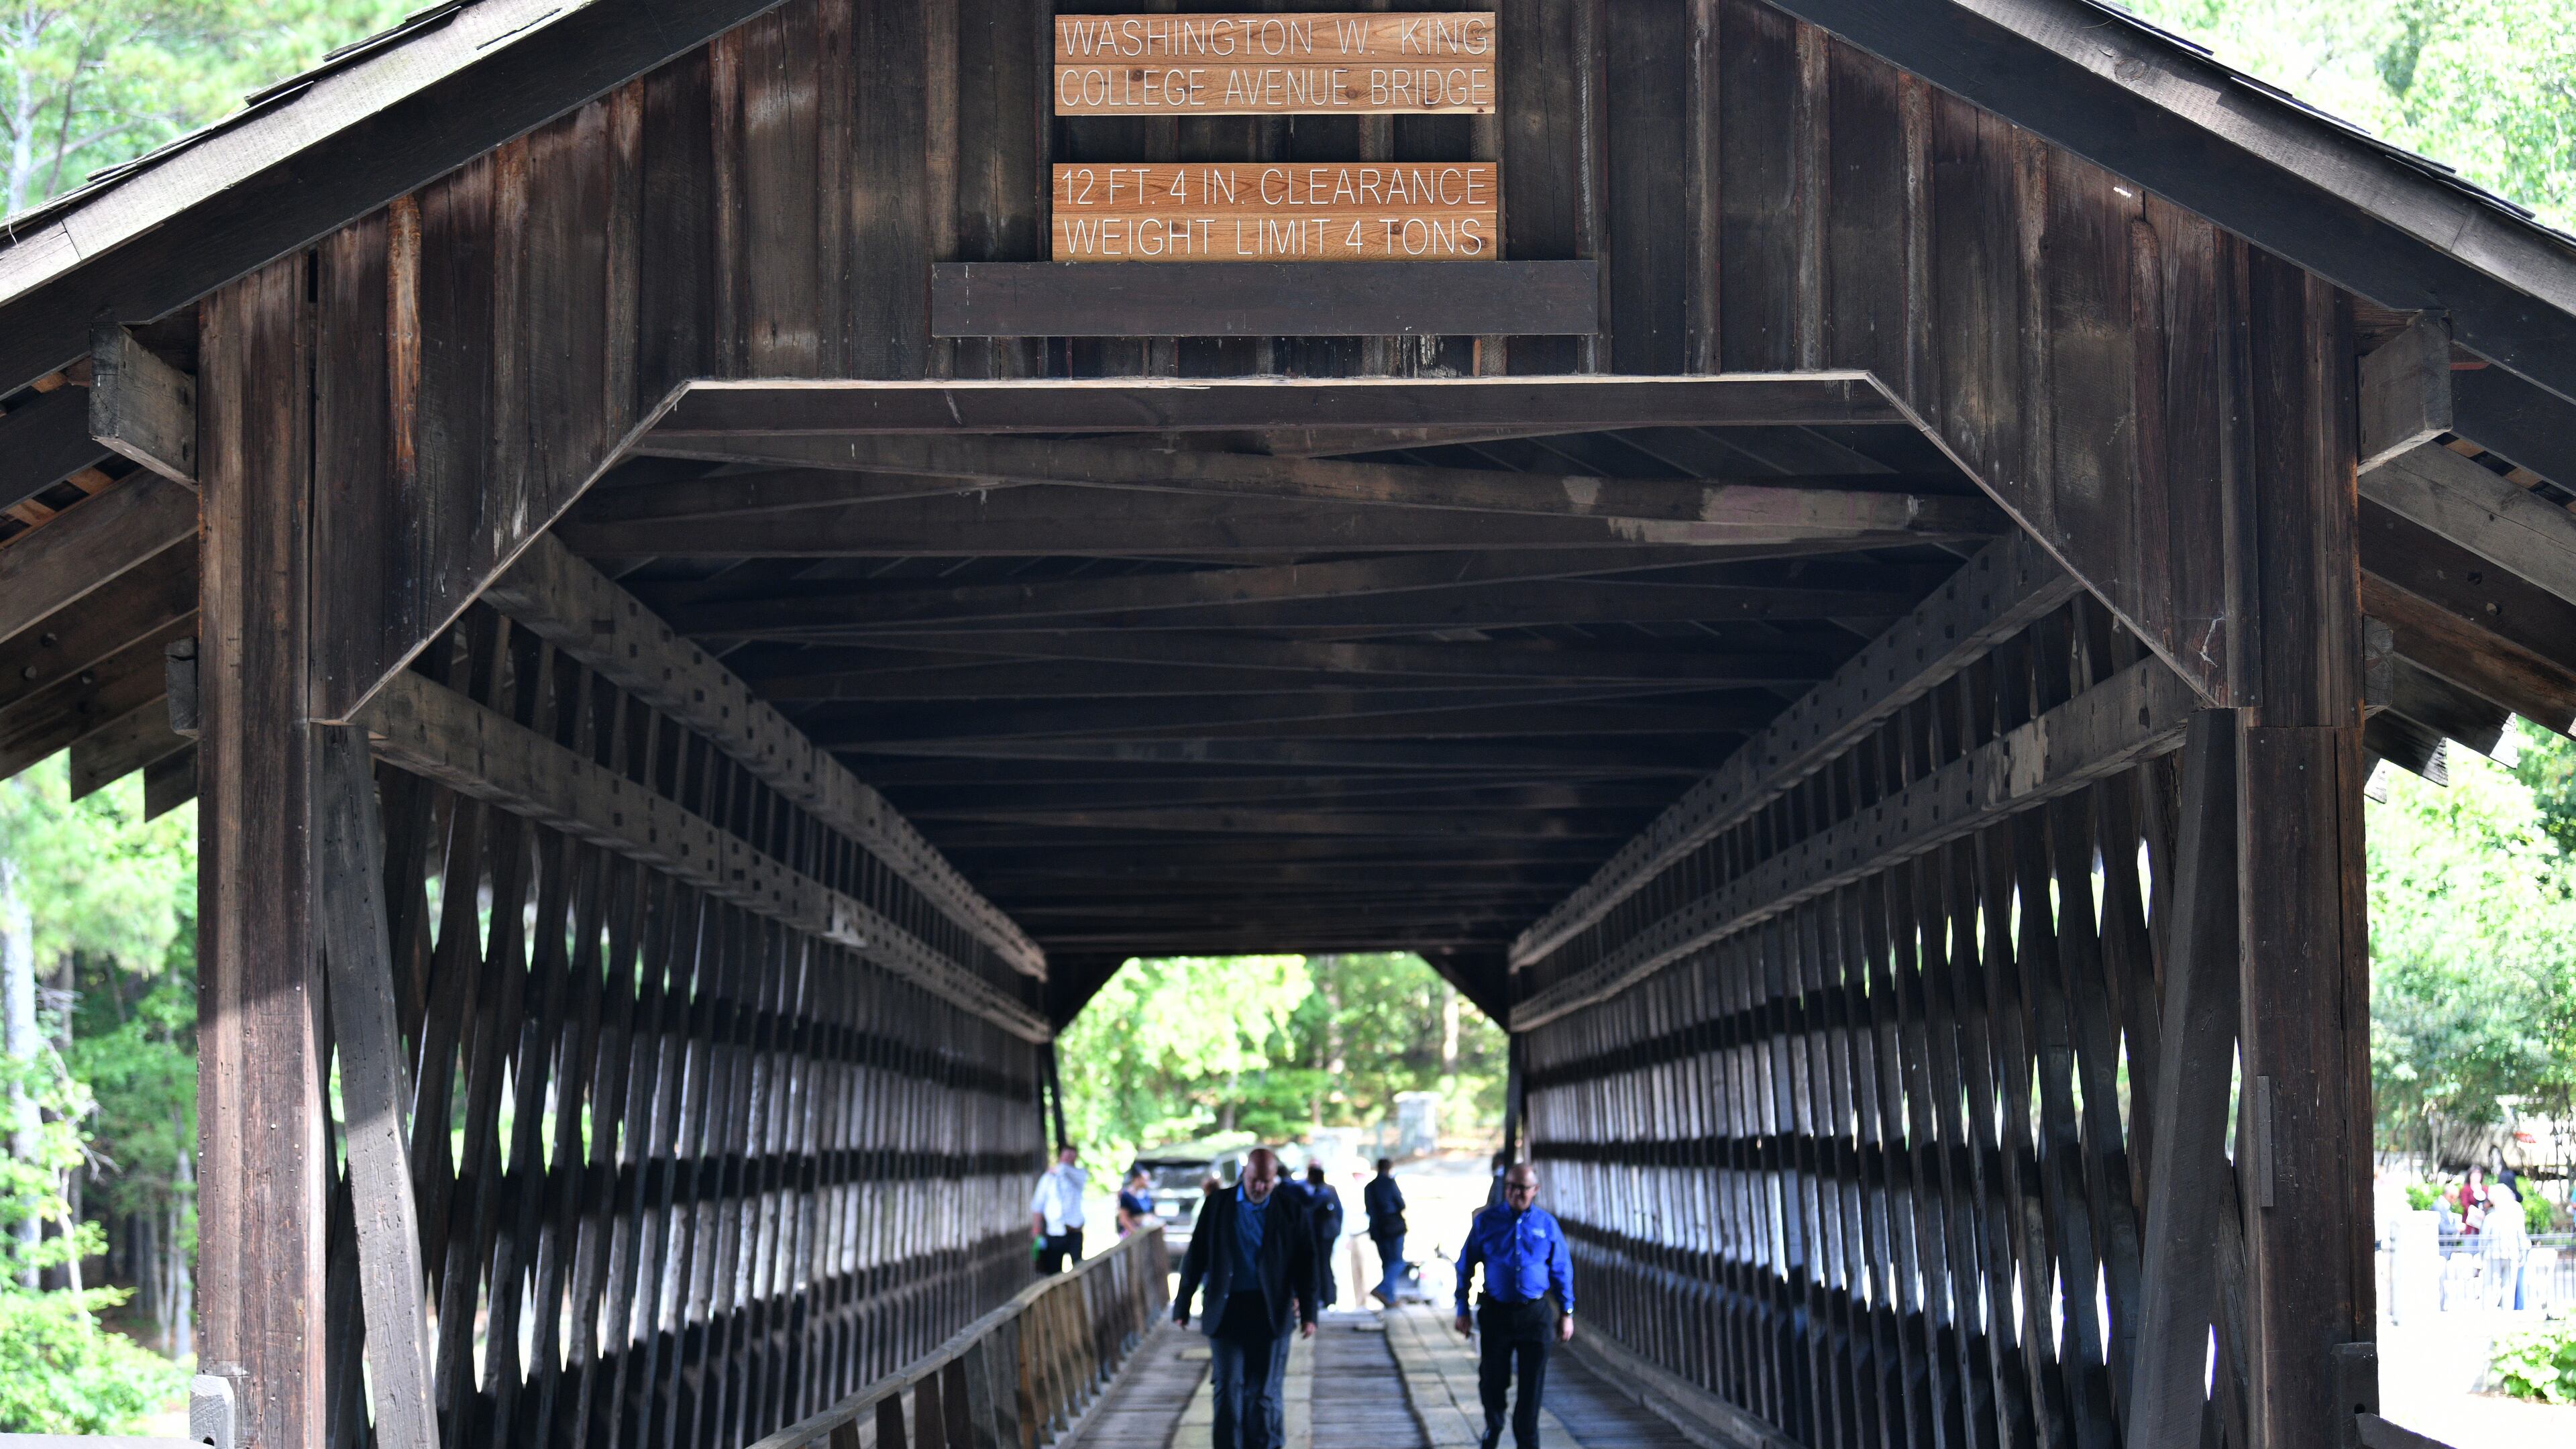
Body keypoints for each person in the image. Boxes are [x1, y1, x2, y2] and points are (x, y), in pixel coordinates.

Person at [1173, 1147, 1320, 1449]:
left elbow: (1307, 1265)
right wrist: (1182, 1304)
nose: (1260, 1187)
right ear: (1244, 1174)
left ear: (1275, 1179)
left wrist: (1309, 1314)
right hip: (1227, 1309)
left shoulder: (1291, 1210)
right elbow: (1196, 1256)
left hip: (1270, 1310)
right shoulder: (1218, 1205)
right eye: (1254, 1180)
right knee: (1227, 1389)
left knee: (1263, 1393)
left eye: (1267, 1181)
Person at [1452, 1163, 1574, 1449]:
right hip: (1497, 1312)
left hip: (1535, 1314)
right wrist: (1462, 1309)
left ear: (1535, 1190)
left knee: (1532, 1384)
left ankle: (1527, 1440)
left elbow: (1561, 1270)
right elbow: (1465, 1266)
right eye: (1510, 1186)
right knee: (1492, 1379)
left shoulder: (1546, 1224)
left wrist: (1567, 1312)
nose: (1515, 1193)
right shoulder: (1486, 1222)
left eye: (1522, 1188)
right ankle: (1493, 1425)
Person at [1030, 1144, 1087, 1275]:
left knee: (1078, 1269)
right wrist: (1036, 1229)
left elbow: (1065, 1170)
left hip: (1074, 1231)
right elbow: (1038, 1204)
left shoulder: (1079, 1175)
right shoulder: (1048, 1179)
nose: (1068, 1159)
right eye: (1066, 1156)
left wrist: (1059, 1168)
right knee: (1054, 1271)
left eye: (1071, 1156)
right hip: (1055, 1232)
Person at [1363, 1157, 1408, 1306]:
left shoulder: (1369, 1187)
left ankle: (1389, 1298)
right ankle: (1382, 1290)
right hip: (1393, 1228)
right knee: (1397, 1262)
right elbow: (1401, 1204)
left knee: (1387, 1263)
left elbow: (1369, 1210)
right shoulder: (1390, 1183)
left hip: (1378, 1229)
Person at [2482, 1181, 2530, 1309]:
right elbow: (2521, 1235)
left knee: (2491, 1286)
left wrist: (2482, 1256)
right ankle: (2506, 1313)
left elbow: (2484, 1239)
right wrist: (2522, 1254)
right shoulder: (2514, 1215)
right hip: (2512, 1253)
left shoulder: (2491, 1217)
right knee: (2508, 1287)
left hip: (2493, 1255)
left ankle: (2489, 1312)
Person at [1305, 1162, 1346, 1309]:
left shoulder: (1319, 1193)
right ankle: (1328, 1297)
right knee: (1324, 1264)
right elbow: (1340, 1211)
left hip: (1322, 1234)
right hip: (1329, 1232)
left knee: (1321, 1265)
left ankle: (1326, 1297)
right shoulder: (1329, 1190)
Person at [1118, 1168, 1156, 1236]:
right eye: (1145, 1180)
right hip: (1132, 1233)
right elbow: (1123, 1219)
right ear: (1137, 1179)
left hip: (1145, 1231)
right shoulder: (1126, 1196)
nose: (1148, 1182)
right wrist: (1136, 1233)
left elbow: (1150, 1213)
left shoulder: (1145, 1195)